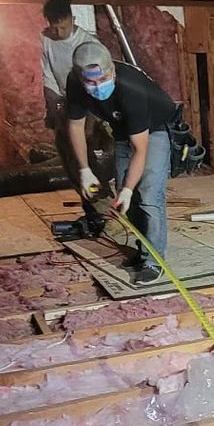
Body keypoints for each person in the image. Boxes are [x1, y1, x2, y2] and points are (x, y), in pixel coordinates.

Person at [64, 40, 178, 283]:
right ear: (79, 76)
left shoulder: (131, 89)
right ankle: (142, 248)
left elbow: (140, 149)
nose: (97, 87)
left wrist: (129, 188)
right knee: (125, 197)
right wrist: (84, 170)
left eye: (103, 80)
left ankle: (153, 259)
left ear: (112, 71)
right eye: (91, 83)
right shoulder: (74, 82)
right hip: (122, 130)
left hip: (155, 129)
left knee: (147, 194)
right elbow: (75, 125)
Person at [39, 0, 95, 134]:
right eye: (54, 28)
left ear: (73, 19)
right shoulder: (45, 39)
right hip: (61, 98)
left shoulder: (88, 43)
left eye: (63, 27)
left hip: (85, 100)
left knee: (86, 136)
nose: (59, 33)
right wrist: (53, 100)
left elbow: (95, 83)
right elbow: (47, 72)